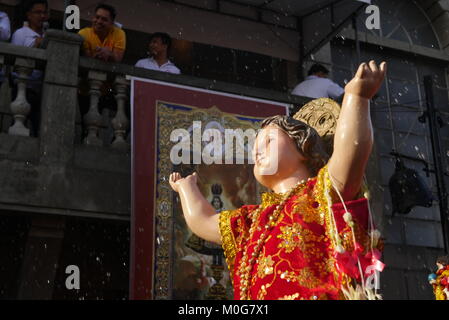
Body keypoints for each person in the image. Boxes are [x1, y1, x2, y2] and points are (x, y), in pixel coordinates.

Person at [169, 61, 386, 300]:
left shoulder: (320, 193)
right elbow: (205, 222)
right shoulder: (250, 220)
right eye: (255, 147)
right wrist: (186, 188)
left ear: (304, 148)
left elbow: (351, 151)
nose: (258, 151)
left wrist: (357, 98)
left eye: (269, 141)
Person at [10, 0, 49, 136]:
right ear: (29, 15)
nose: (42, 16)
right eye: (38, 12)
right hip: (23, 87)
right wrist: (36, 45)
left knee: (40, 130)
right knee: (19, 125)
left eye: (44, 12)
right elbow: (16, 61)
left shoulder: (46, 35)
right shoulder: (21, 33)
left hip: (42, 90)